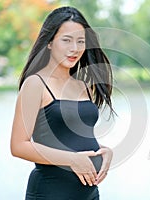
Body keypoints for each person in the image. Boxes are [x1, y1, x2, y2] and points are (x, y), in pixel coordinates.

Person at [10, 6, 114, 200]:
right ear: (49, 42)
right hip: (50, 193)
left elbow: (70, 136)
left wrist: (103, 151)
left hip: (89, 194)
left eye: (80, 41)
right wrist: (72, 160)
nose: (74, 48)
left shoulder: (84, 86)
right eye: (66, 40)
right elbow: (18, 146)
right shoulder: (35, 84)